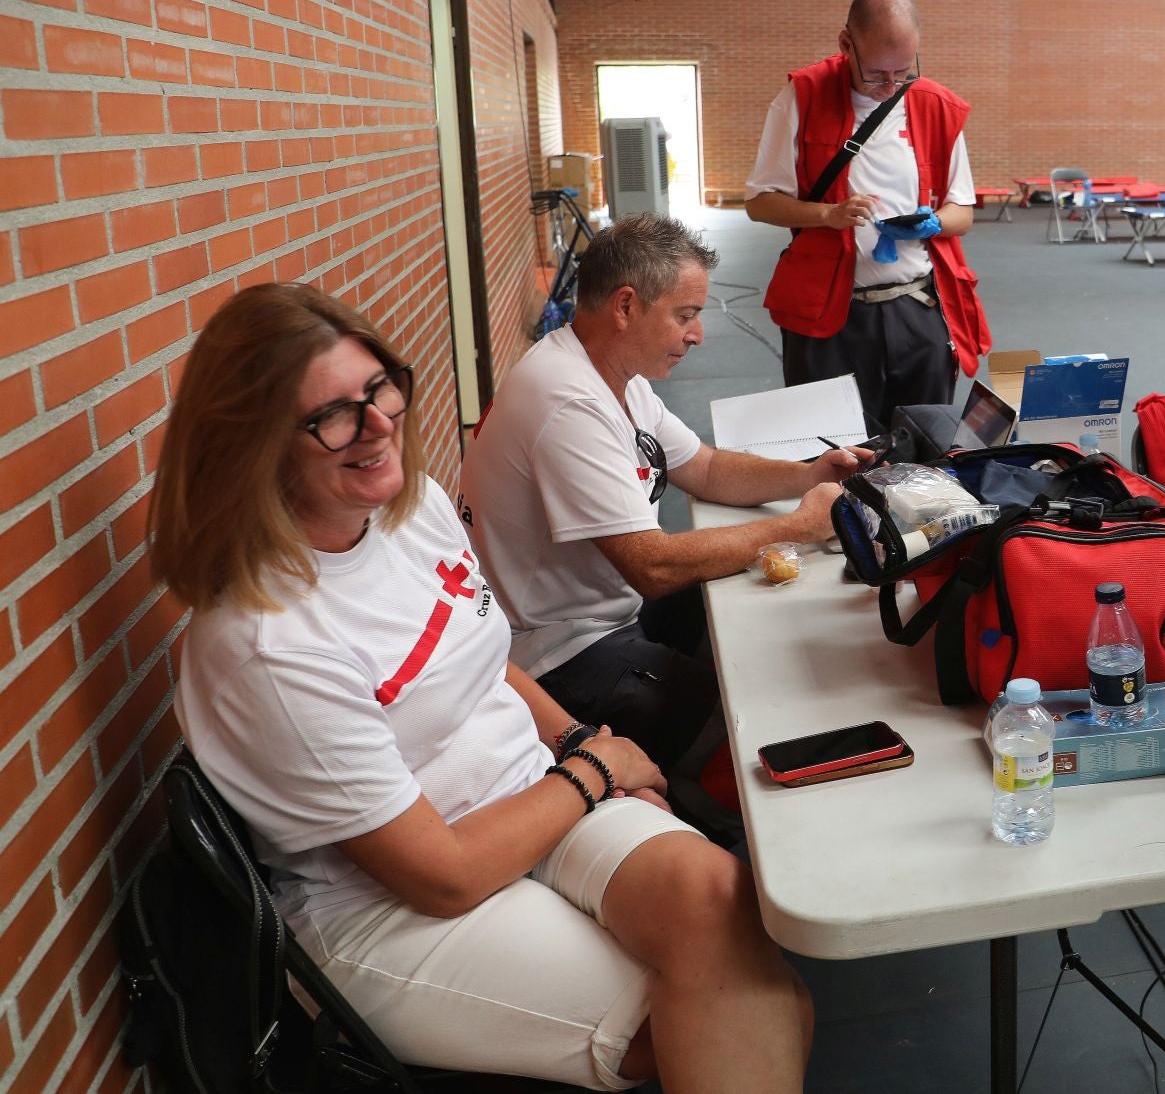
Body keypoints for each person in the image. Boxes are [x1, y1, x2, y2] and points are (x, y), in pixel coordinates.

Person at [150, 283, 812, 1090]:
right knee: (702, 1009)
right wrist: (597, 774)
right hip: (393, 909)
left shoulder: (410, 508)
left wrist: (577, 743)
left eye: (380, 388)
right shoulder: (269, 643)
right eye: (333, 416)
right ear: (252, 446)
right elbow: (444, 875)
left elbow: (483, 660)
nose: (379, 424)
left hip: (530, 798)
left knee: (727, 915)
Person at [457, 214, 868, 791]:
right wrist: (801, 526)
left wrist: (808, 475)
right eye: (685, 315)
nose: (698, 334)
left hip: (605, 613)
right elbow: (651, 566)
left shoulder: (610, 373)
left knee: (747, 628)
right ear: (626, 306)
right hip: (559, 655)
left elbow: (705, 467)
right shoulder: (569, 401)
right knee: (753, 734)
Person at [745, 0, 989, 434]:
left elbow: (963, 212)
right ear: (846, 44)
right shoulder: (802, 97)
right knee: (832, 445)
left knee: (925, 443)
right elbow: (760, 204)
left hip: (916, 308)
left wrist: (932, 223)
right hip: (830, 317)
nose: (890, 87)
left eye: (903, 73)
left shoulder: (936, 106)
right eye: (877, 74)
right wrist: (827, 215)